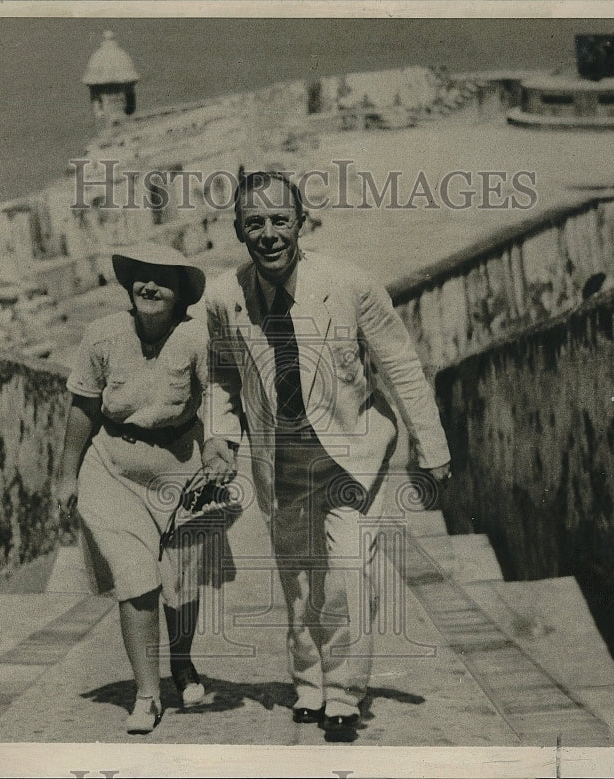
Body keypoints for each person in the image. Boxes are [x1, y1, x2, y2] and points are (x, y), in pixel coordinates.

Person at [202, 171, 451, 739]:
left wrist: (431, 446)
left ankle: (343, 692)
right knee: (299, 581)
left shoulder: (349, 285)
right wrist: (221, 436)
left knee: (346, 574)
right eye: (254, 224)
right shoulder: (223, 297)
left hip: (350, 456)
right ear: (239, 232)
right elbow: (219, 374)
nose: (269, 235)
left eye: (280, 221)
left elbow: (401, 366)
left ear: (301, 223)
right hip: (281, 463)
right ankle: (308, 682)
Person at [56, 242, 217, 735]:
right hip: (113, 468)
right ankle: (147, 693)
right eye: (141, 277)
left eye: (162, 280)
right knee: (137, 579)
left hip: (181, 470)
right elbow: (84, 407)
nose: (149, 286)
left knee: (182, 585)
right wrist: (66, 474)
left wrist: (217, 449)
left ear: (181, 294)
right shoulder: (102, 335)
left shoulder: (197, 338)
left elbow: (218, 398)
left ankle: (182, 664)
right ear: (129, 284)